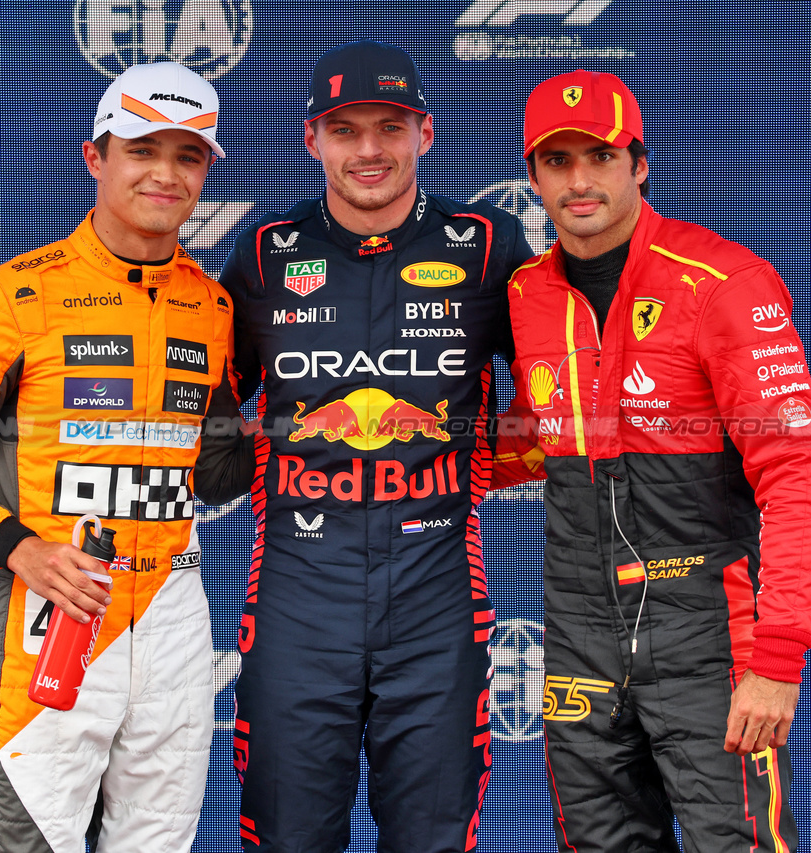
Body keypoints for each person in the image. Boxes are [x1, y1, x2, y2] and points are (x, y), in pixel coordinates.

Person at [0, 61, 238, 853]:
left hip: (171, 617)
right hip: (52, 613)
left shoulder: (213, 306)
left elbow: (220, 466)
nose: (165, 172)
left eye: (188, 155)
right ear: (96, 157)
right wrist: (23, 549)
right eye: (141, 149)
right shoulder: (9, 296)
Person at [492, 69, 811, 851]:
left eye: (601, 156)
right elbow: (540, 439)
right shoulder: (526, 296)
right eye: (557, 160)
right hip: (579, 639)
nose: (580, 180)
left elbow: (795, 473)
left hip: (709, 640)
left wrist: (778, 657)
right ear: (534, 175)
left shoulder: (725, 284)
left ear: (639, 164)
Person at [211, 39, 533, 853]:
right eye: (344, 129)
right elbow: (207, 417)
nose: (368, 150)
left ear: (426, 133)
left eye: (390, 126)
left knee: (430, 837)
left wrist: (482, 461)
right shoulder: (262, 253)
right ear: (310, 138)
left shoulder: (488, 244)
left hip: (435, 593)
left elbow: (554, 391)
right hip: (294, 594)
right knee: (285, 837)